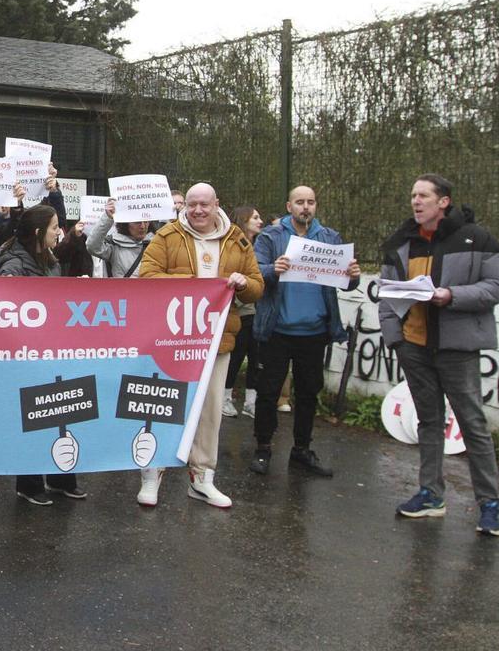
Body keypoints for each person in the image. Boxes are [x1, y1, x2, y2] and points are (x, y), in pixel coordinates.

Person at [380, 174, 499, 535]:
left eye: (423, 195)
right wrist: (396, 340)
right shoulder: (401, 242)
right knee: (428, 421)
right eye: (413, 195)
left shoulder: (476, 238)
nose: (415, 201)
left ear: (444, 201)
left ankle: (490, 504)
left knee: (472, 424)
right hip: (414, 346)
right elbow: (386, 294)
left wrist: (452, 295)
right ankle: (431, 495)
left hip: (457, 348)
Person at [137, 182, 263, 509]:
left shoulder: (236, 239)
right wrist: (194, 286)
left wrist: (243, 283)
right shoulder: (167, 236)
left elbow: (257, 286)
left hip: (216, 341)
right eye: (192, 204)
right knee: (163, 405)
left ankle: (202, 477)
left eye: (204, 204)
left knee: (210, 412)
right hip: (170, 340)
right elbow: (147, 277)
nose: (197, 210)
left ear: (216, 204)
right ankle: (152, 474)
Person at [249, 187, 360, 477]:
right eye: (300, 202)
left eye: (310, 202)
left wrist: (353, 277)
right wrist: (273, 269)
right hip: (277, 329)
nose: (305, 207)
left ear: (316, 206)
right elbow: (255, 272)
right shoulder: (271, 236)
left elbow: (345, 282)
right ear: (289, 206)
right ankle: (263, 447)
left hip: (314, 331)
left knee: (309, 392)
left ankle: (301, 449)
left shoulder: (329, 238)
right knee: (268, 391)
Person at [0, 204, 87, 505]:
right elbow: (6, 304)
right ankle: (29, 484)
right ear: (38, 232)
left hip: (51, 348)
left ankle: (61, 479)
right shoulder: (13, 264)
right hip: (25, 354)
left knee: (60, 410)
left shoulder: (50, 259)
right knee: (32, 416)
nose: (59, 232)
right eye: (54, 227)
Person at [224, 205, 264, 418]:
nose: (260, 221)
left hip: (259, 311)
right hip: (240, 310)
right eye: (255, 218)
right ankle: (225, 397)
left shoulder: (261, 246)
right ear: (244, 220)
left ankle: (251, 402)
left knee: (256, 357)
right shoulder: (234, 247)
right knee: (236, 355)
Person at [86, 198, 150, 279]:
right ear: (126, 224)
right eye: (137, 222)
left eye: (146, 222)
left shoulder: (156, 244)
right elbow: (92, 246)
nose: (143, 226)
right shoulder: (115, 245)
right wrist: (108, 217)